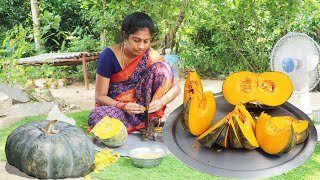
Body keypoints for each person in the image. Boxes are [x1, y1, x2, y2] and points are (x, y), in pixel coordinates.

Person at [88, 12, 181, 133]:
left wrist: (161, 102)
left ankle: (150, 119)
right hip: (119, 109)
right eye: (136, 40)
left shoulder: (152, 56)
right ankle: (149, 122)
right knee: (97, 116)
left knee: (162, 68)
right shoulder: (109, 55)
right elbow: (100, 97)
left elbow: (176, 88)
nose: (141, 46)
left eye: (146, 41)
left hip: (144, 109)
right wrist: (123, 106)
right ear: (125, 35)